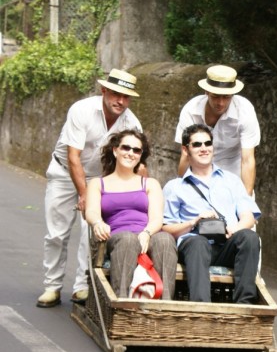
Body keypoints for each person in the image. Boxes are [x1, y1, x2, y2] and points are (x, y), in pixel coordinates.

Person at [37, 69, 143, 308]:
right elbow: (73, 156)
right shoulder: (81, 110)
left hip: (99, 178)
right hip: (64, 172)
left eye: (126, 97)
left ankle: (82, 287)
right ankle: (52, 287)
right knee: (57, 233)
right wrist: (84, 194)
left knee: (93, 230)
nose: (121, 101)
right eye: (116, 94)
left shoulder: (131, 122)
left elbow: (137, 159)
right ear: (104, 90)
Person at [163, 124, 261, 303]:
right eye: (197, 144)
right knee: (197, 242)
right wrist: (194, 222)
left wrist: (235, 228)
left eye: (208, 143)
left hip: (226, 244)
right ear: (186, 149)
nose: (204, 148)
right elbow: (165, 228)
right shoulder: (174, 187)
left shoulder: (232, 181)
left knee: (249, 237)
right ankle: (201, 308)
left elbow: (248, 216)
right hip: (194, 247)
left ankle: (244, 307)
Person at [85, 130, 177, 299]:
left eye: (136, 150)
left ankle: (163, 306)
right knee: (128, 239)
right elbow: (91, 211)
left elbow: (157, 218)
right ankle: (121, 304)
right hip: (117, 237)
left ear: (141, 155)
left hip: (147, 234)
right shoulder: (98, 183)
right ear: (115, 150)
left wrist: (146, 233)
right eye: (126, 148)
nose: (130, 153)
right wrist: (98, 222)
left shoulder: (150, 183)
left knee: (165, 239)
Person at [175, 64, 260, 196]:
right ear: (206, 92)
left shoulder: (244, 111)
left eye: (226, 97)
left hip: (234, 173)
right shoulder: (191, 110)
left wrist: (247, 199)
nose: (220, 103)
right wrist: (180, 188)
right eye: (215, 96)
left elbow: (248, 159)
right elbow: (186, 155)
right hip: (199, 173)